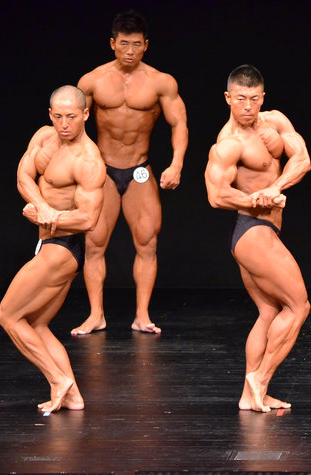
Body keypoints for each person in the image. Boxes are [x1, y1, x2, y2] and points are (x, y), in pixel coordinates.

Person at [73, 9, 188, 335]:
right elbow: (70, 124)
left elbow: (179, 123)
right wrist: (77, 165)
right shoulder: (92, 80)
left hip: (140, 170)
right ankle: (96, 314)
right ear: (112, 43)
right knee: (94, 244)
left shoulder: (161, 82)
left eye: (137, 45)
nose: (130, 51)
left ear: (146, 45)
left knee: (147, 242)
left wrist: (176, 163)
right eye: (124, 44)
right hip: (103, 170)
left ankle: (142, 315)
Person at [205, 65, 311, 413]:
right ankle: (260, 379)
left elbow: (303, 160)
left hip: (262, 230)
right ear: (227, 98)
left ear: (262, 98)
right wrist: (256, 200)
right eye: (240, 99)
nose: (247, 106)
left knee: (268, 312)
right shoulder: (228, 143)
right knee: (298, 306)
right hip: (252, 231)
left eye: (253, 99)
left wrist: (275, 187)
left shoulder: (276, 121)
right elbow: (216, 195)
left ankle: (249, 396)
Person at [0, 86, 106, 413]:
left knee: (8, 316)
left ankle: (58, 380)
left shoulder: (88, 160)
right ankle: (74, 397)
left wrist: (51, 218)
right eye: (58, 116)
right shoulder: (44, 137)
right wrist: (44, 207)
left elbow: (88, 219)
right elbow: (23, 176)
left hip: (63, 248)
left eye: (71, 116)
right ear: (50, 115)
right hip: (48, 241)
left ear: (85, 114)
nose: (64, 124)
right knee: (37, 324)